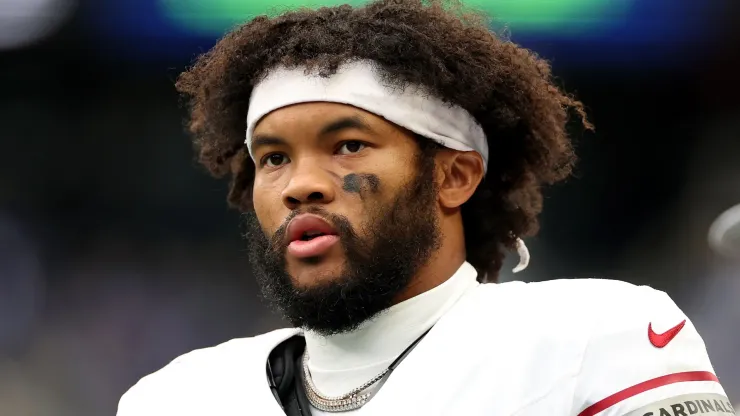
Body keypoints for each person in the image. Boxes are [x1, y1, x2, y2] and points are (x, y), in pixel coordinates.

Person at [117, 1, 733, 415]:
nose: (300, 184)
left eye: (348, 145)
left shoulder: (595, 336)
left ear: (454, 175)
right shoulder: (174, 398)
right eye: (273, 158)